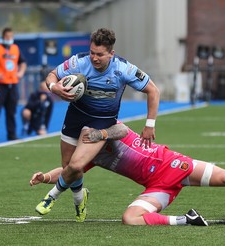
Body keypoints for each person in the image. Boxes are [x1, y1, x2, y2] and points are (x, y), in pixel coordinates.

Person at [30, 122, 225, 226]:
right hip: (156, 185)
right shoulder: (87, 158)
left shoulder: (106, 129)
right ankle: (187, 220)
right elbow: (68, 170)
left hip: (171, 164)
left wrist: (99, 132)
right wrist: (45, 177)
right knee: (130, 218)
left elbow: (123, 129)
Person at [39, 28, 160, 222]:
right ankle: (80, 200)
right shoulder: (79, 61)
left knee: (77, 165)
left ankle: (51, 197)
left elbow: (153, 91)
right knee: (69, 168)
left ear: (111, 53)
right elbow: (52, 75)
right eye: (92, 52)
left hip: (101, 120)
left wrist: (150, 125)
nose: (94, 58)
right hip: (75, 115)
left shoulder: (124, 69)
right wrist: (55, 88)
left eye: (100, 55)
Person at [0, 27, 27, 141]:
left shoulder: (15, 48)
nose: (9, 39)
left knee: (12, 110)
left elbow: (23, 62)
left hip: (12, 84)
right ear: (3, 37)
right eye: (7, 37)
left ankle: (12, 133)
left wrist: (21, 72)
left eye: (11, 37)